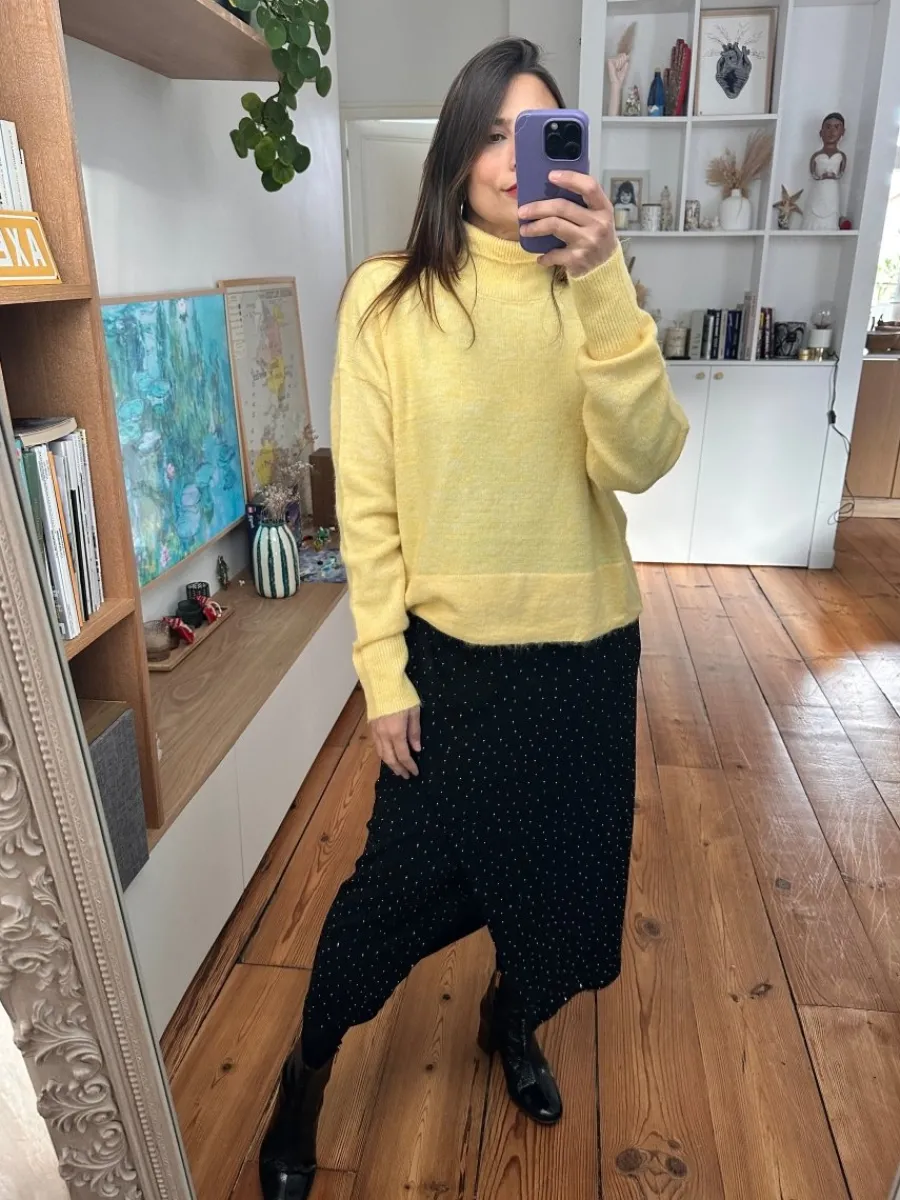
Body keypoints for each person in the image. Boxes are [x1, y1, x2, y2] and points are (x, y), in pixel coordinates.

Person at [259, 36, 688, 1200]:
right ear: (455, 153)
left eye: (539, 133)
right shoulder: (386, 300)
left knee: (559, 882)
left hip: (585, 653)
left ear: (570, 153)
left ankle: (513, 1016)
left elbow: (643, 460)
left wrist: (603, 281)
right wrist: (382, 672)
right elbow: (370, 507)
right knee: (383, 902)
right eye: (493, 132)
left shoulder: (592, 290)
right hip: (452, 664)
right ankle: (303, 1074)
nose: (514, 157)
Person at [802, 112, 846, 232]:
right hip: (819, 187)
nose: (832, 132)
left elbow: (841, 172)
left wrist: (833, 176)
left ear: (842, 132)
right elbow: (813, 173)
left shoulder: (841, 155)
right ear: (821, 132)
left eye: (836, 127)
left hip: (832, 188)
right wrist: (821, 177)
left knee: (831, 208)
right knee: (815, 206)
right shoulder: (816, 155)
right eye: (828, 127)